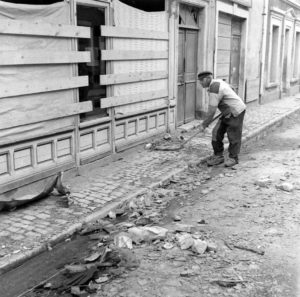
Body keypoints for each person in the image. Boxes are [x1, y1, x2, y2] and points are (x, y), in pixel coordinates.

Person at [198, 71, 246, 167]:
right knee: (216, 133)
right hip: (227, 112)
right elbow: (231, 88)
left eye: (201, 81)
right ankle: (218, 156)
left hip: (236, 111)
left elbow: (211, 110)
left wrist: (204, 124)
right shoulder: (217, 82)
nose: (200, 83)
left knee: (233, 135)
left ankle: (233, 158)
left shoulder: (215, 88)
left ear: (207, 79)